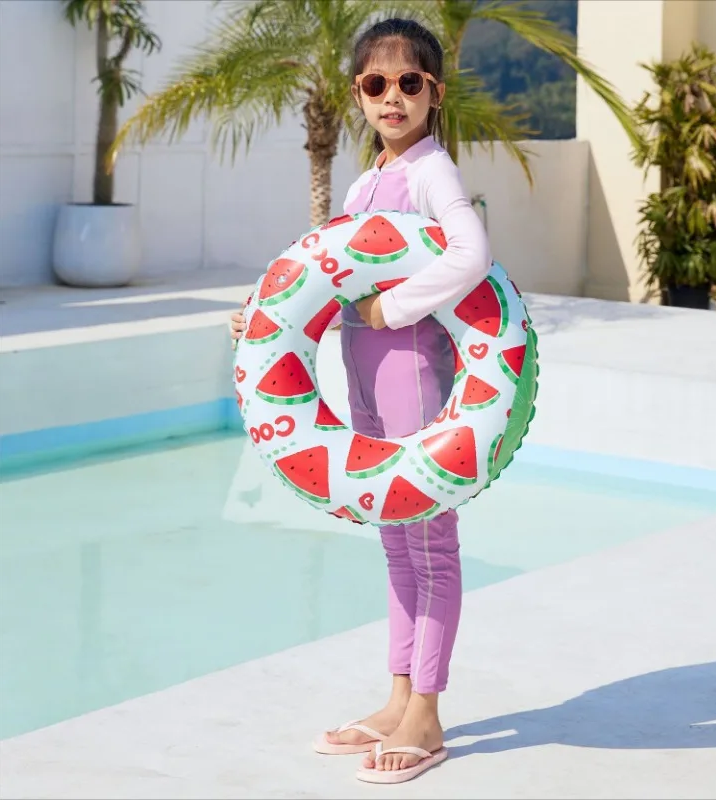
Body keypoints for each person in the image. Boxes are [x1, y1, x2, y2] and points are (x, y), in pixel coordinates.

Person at [230, 18, 491, 784]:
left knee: (431, 542)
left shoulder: (432, 171)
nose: (393, 98)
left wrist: (395, 310)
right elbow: (331, 280)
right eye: (377, 84)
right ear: (358, 94)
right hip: (362, 376)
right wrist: (265, 319)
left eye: (410, 83)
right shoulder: (362, 183)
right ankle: (398, 695)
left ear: (434, 94)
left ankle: (429, 713)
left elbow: (472, 255)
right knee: (394, 539)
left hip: (413, 371)